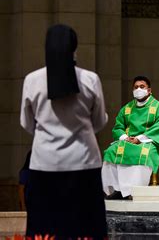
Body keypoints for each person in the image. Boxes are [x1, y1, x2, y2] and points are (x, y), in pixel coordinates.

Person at [20, 24, 108, 238]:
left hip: (44, 164)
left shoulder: (32, 80)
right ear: (74, 47)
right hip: (84, 162)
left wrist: (47, 136)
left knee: (46, 226)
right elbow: (99, 121)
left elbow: (26, 123)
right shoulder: (89, 79)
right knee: (84, 226)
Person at [102, 76, 159, 199]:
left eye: (142, 87)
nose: (138, 89)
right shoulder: (127, 108)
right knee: (111, 151)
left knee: (141, 153)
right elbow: (118, 127)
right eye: (136, 87)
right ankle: (117, 190)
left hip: (148, 141)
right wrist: (125, 137)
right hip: (127, 140)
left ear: (149, 90)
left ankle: (134, 191)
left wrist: (139, 139)